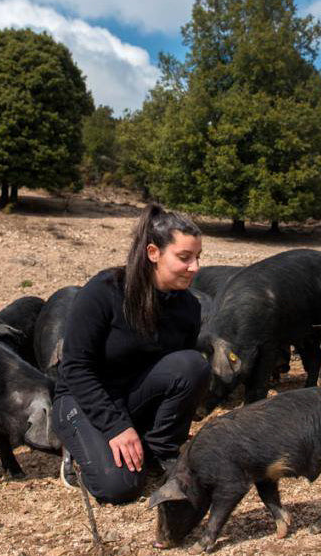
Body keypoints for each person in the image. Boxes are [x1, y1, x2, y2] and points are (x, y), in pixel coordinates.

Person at [51, 203, 210, 504]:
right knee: (120, 488)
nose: (195, 268)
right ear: (153, 253)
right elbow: (75, 368)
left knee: (192, 365)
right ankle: (77, 449)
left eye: (198, 258)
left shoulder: (189, 307)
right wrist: (116, 427)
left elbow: (176, 375)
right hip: (82, 398)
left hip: (133, 397)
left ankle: (159, 451)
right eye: (185, 258)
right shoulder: (104, 291)